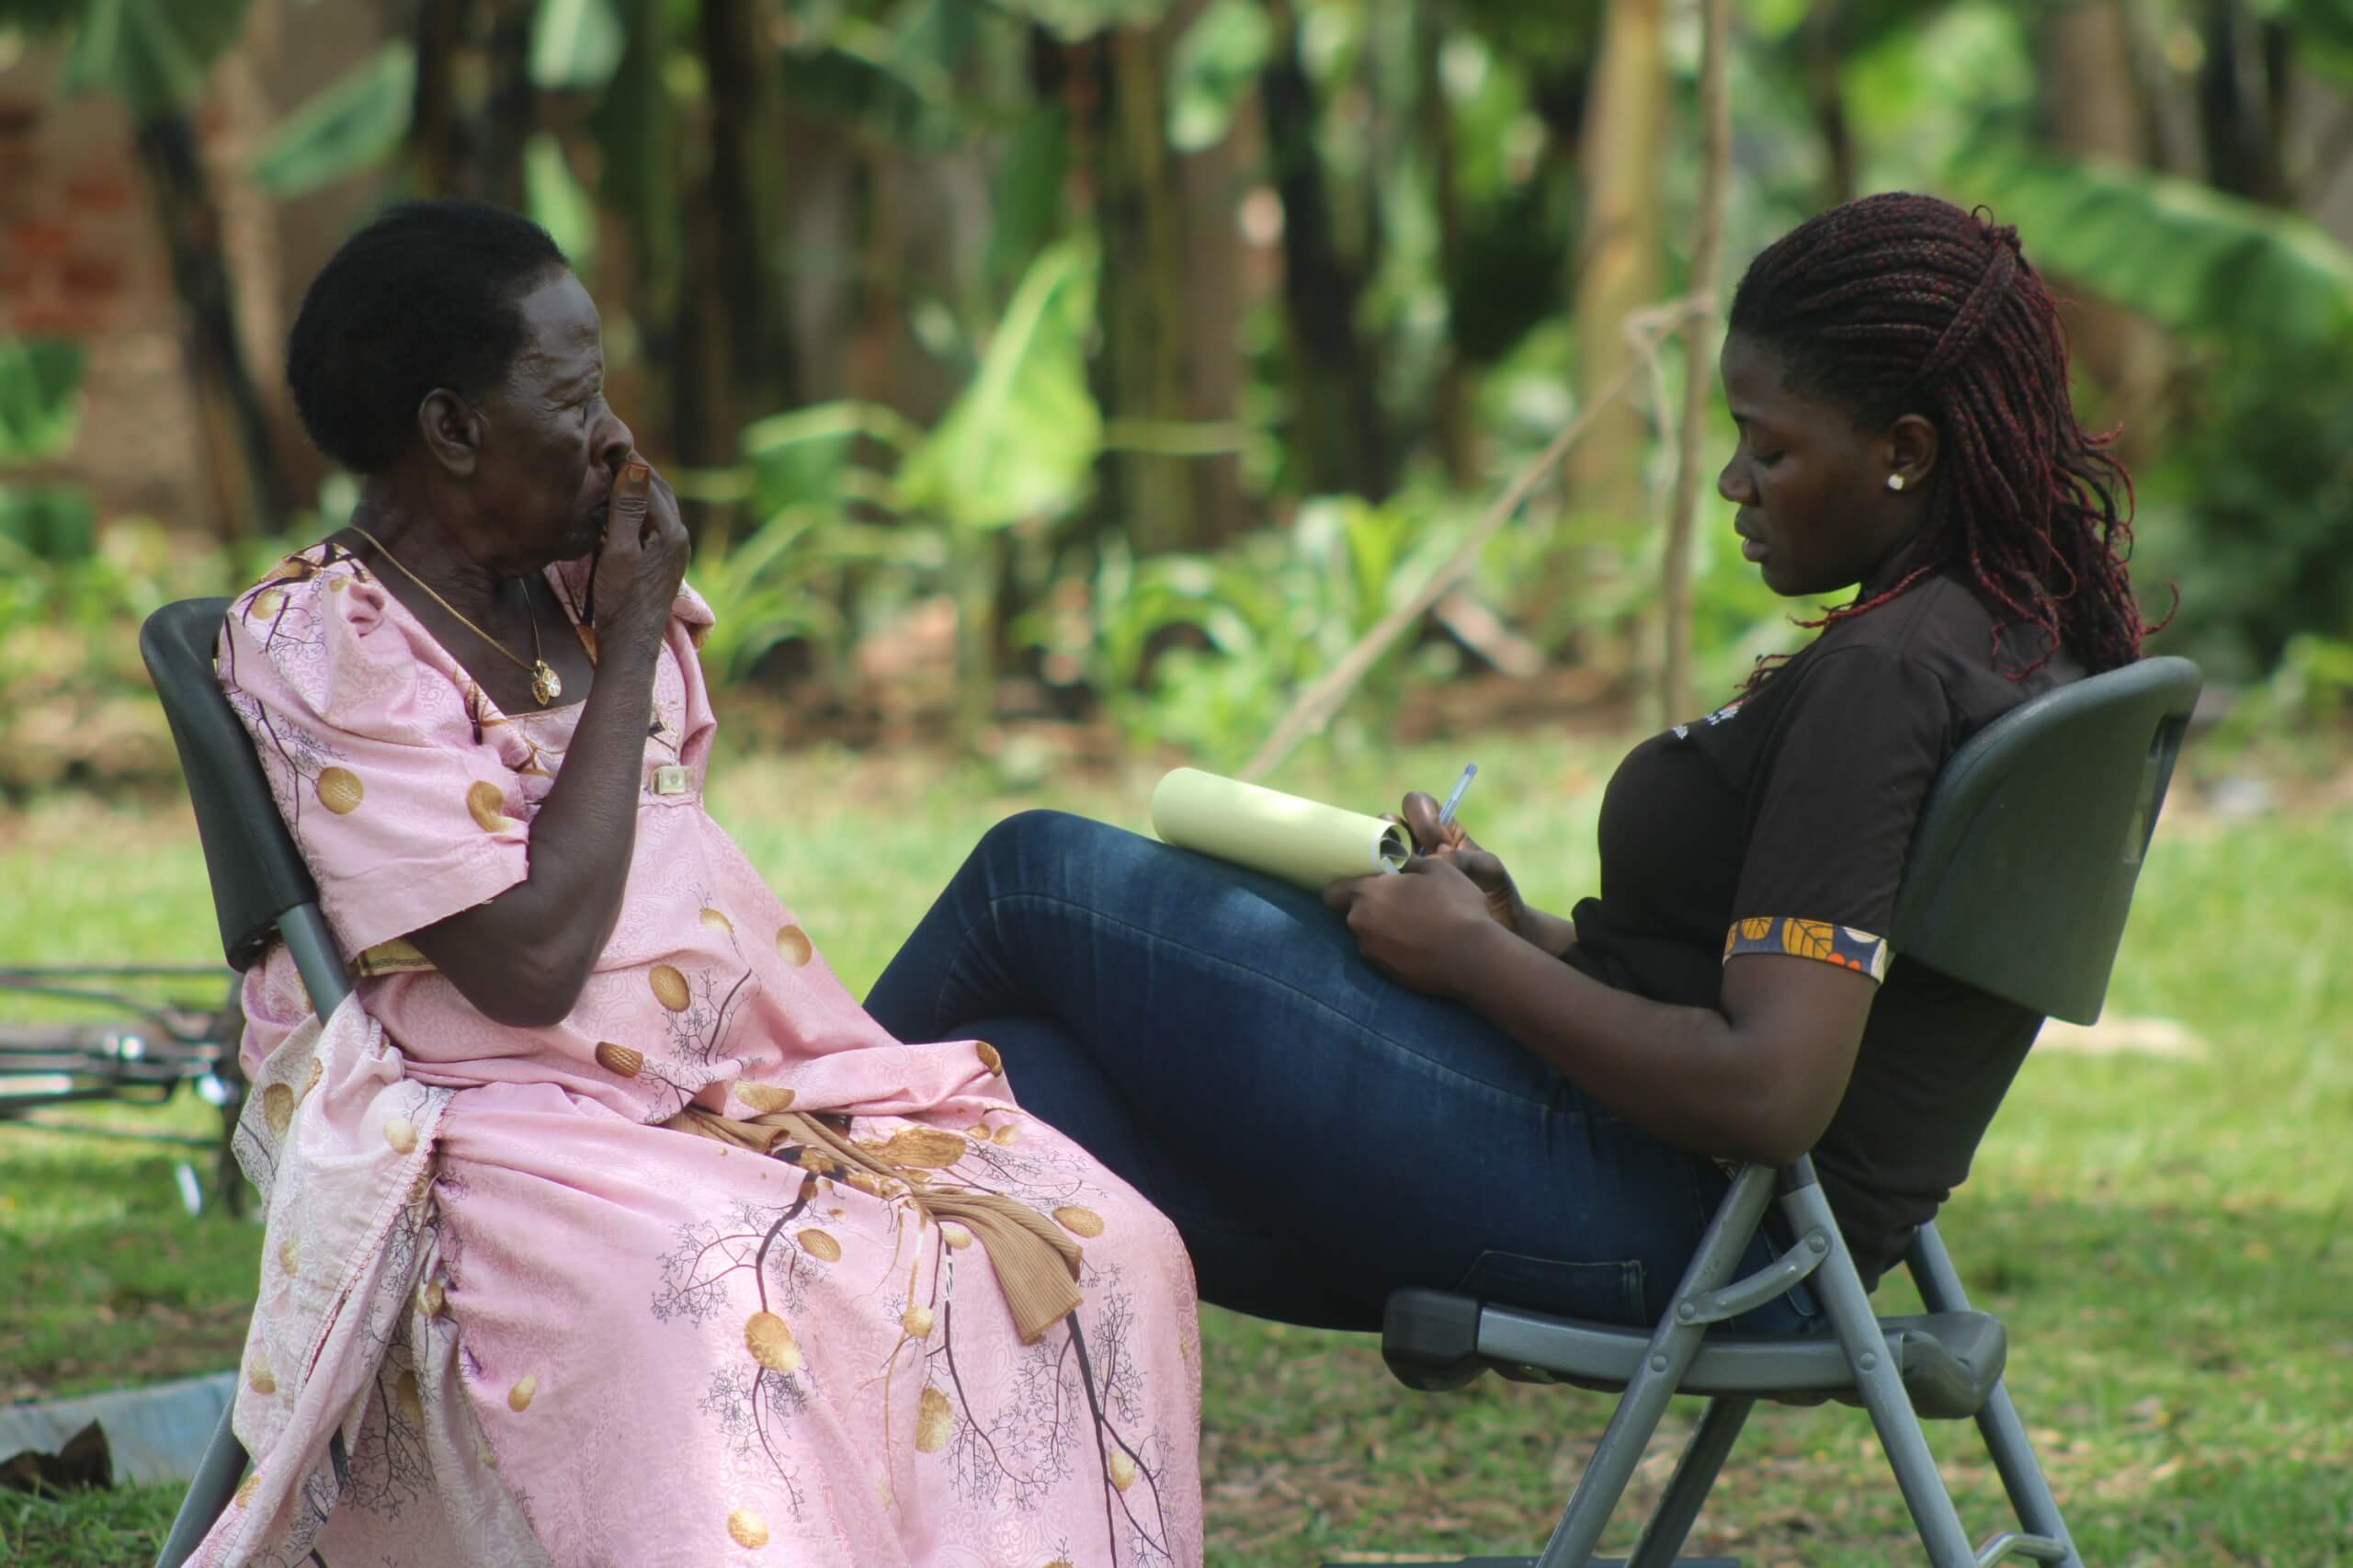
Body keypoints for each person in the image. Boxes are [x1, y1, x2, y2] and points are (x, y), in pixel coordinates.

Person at [866, 192, 2161, 1335]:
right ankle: (794, 1308)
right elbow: (1749, 993)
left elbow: (1769, 1091)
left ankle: (755, 1241)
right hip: (1706, 1210)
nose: (1733, 480)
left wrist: (1472, 962)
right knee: (1011, 1084)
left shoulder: (1891, 675)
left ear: (1908, 451)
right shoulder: (2000, 634)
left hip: (1679, 1225)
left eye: (1768, 447)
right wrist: (1517, 929)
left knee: (1033, 876)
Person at [200, 200, 1201, 1568]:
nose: (615, 435)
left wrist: (622, 628)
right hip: (498, 1115)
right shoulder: (330, 640)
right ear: (452, 429)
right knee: (735, 1281)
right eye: (574, 399)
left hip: (727, 1080)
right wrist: (628, 651)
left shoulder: (575, 585)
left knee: (1113, 1244)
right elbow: (528, 968)